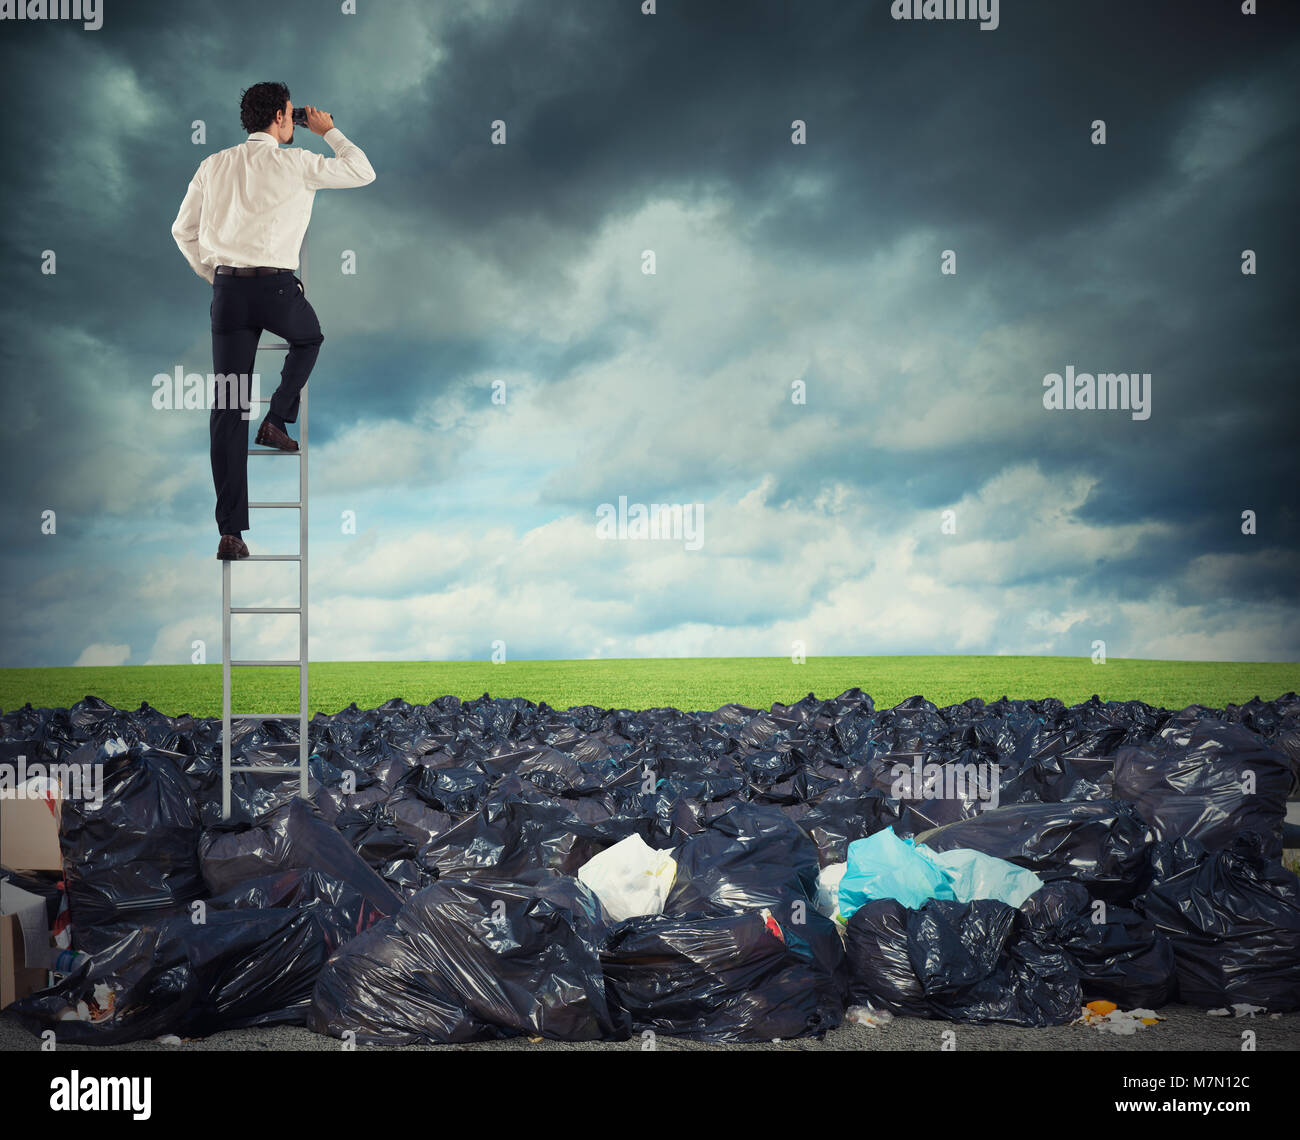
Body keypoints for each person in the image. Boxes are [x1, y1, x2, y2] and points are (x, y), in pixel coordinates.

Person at [171, 81, 375, 560]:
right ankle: (277, 419)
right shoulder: (299, 163)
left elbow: (182, 230)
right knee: (309, 338)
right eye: (291, 114)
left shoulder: (213, 164)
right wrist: (328, 131)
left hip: (229, 293)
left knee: (226, 409)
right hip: (276, 290)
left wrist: (213, 274)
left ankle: (230, 533)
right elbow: (362, 171)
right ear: (284, 118)